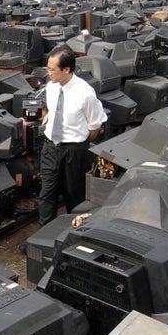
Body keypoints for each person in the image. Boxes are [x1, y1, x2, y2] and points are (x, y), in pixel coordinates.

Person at [37, 44, 107, 226]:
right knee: (46, 195)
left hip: (73, 151)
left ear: (66, 69)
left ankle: (72, 234)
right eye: (48, 69)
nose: (48, 73)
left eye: (52, 70)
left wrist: (78, 147)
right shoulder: (51, 87)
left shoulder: (85, 93)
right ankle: (45, 236)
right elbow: (50, 111)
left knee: (73, 195)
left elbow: (95, 126)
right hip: (51, 148)